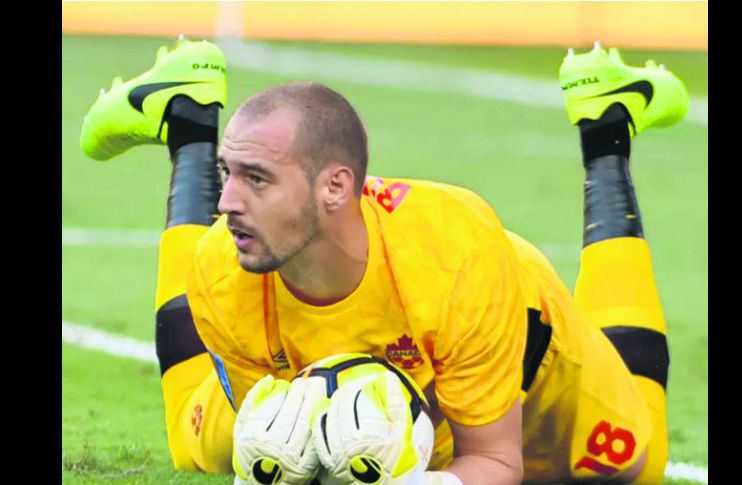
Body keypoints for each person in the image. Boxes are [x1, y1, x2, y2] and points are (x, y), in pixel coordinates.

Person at [80, 38, 688, 484]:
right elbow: (282, 446)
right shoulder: (219, 262)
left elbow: (495, 461)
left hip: (517, 367)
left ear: (335, 189)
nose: (227, 203)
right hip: (362, 376)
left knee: (639, 463)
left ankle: (606, 130)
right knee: (201, 448)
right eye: (226, 175)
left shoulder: (453, 257)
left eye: (257, 179)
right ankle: (189, 121)